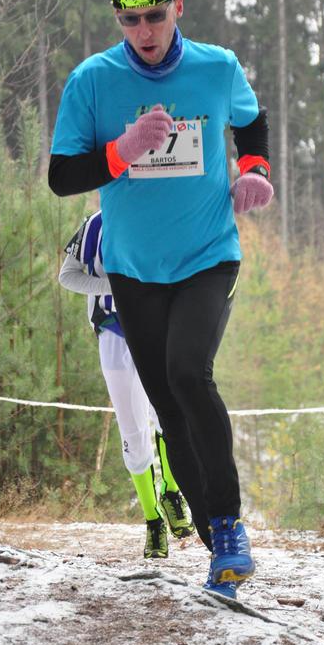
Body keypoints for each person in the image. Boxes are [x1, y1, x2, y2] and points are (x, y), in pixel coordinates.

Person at [49, 0, 273, 599]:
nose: (144, 31)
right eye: (130, 20)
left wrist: (254, 170)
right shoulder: (93, 81)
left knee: (187, 374)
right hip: (134, 270)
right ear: (118, 20)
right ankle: (213, 540)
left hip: (208, 256)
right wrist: (122, 150)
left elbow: (250, 122)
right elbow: (62, 176)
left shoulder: (216, 67)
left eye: (154, 15)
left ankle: (228, 526)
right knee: (169, 410)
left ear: (179, 7)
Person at [59, 209, 195, 559]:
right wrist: (113, 287)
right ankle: (152, 520)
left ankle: (172, 491)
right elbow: (67, 276)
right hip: (115, 334)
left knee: (171, 416)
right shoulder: (96, 223)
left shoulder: (165, 211)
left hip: (161, 330)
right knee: (132, 430)